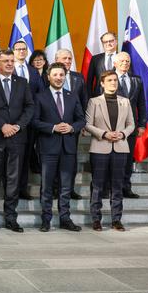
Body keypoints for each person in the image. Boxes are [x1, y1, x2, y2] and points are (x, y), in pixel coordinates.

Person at [0, 49, 34, 233]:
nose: (10, 64)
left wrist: (17, 126)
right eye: (5, 61)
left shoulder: (22, 83)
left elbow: (29, 107)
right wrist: (3, 125)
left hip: (17, 138)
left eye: (12, 60)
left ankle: (11, 218)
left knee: (13, 181)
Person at [32, 63, 85, 232]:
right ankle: (46, 219)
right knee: (47, 186)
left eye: (61, 75)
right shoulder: (40, 96)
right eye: (55, 74)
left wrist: (72, 128)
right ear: (48, 76)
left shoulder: (72, 95)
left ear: (64, 76)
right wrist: (53, 127)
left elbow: (81, 119)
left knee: (66, 186)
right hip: (48, 147)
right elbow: (34, 121)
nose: (58, 78)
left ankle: (65, 218)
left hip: (68, 147)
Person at [84, 70, 135, 232]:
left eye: (115, 80)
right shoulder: (94, 101)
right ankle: (96, 219)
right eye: (110, 80)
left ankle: (116, 220)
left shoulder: (125, 101)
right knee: (98, 185)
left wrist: (122, 133)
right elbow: (88, 124)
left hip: (120, 147)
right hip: (100, 148)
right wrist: (104, 134)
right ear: (102, 83)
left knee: (117, 185)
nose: (113, 83)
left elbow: (131, 124)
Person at [54, 48, 88, 200]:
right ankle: (55, 188)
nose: (67, 61)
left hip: (73, 126)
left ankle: (69, 188)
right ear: (56, 60)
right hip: (53, 126)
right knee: (54, 158)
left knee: (71, 158)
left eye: (69, 58)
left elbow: (84, 101)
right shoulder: (49, 76)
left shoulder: (78, 77)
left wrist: (83, 124)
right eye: (64, 58)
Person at [113, 52, 146, 199]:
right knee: (113, 159)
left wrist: (142, 124)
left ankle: (126, 187)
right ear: (115, 63)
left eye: (127, 61)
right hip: (112, 126)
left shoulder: (136, 80)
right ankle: (112, 188)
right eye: (122, 61)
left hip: (131, 127)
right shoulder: (108, 78)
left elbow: (141, 104)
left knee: (128, 159)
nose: (125, 63)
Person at [11, 40, 42, 200]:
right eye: (18, 49)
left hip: (29, 121)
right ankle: (10, 190)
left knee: (24, 156)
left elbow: (40, 94)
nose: (21, 52)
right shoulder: (7, 69)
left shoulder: (33, 71)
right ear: (13, 51)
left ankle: (22, 189)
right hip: (10, 121)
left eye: (24, 49)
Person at [86, 31, 119, 97]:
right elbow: (89, 81)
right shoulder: (95, 59)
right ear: (103, 44)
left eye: (111, 41)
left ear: (116, 42)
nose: (108, 43)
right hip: (99, 97)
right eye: (105, 42)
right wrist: (90, 98)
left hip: (119, 96)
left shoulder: (123, 57)